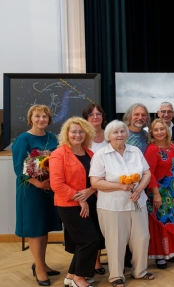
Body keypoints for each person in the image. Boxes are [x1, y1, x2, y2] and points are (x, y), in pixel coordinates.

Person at [89, 120, 154, 287]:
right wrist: (121, 186)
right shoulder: (101, 155)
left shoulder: (136, 151)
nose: (119, 135)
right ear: (108, 136)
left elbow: (147, 173)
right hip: (112, 205)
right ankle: (116, 276)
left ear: (127, 134)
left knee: (142, 237)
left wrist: (139, 189)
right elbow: (95, 182)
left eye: (122, 132)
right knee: (115, 241)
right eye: (115, 132)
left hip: (137, 202)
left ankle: (140, 271)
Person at [50, 117, 103, 287]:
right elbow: (56, 184)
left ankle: (72, 275)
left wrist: (90, 191)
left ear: (86, 133)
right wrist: (81, 199)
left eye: (81, 131)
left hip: (91, 202)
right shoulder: (58, 154)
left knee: (87, 240)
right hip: (69, 205)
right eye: (73, 131)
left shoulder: (90, 153)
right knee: (89, 240)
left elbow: (98, 179)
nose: (77, 135)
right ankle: (79, 279)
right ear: (66, 133)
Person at [13, 105, 62, 286]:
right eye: (37, 116)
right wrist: (37, 182)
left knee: (44, 225)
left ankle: (41, 263)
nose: (41, 119)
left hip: (49, 189)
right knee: (35, 228)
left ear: (49, 120)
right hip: (31, 190)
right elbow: (19, 167)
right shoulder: (23, 139)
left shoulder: (52, 138)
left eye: (45, 117)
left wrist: (51, 181)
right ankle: (40, 269)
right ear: (30, 118)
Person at [145, 119, 174, 269]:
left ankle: (170, 252)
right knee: (161, 224)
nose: (159, 132)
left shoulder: (172, 146)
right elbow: (148, 173)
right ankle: (159, 256)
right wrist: (156, 194)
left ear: (166, 130)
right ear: (152, 133)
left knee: (173, 222)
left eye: (161, 129)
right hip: (160, 192)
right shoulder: (152, 149)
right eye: (156, 130)